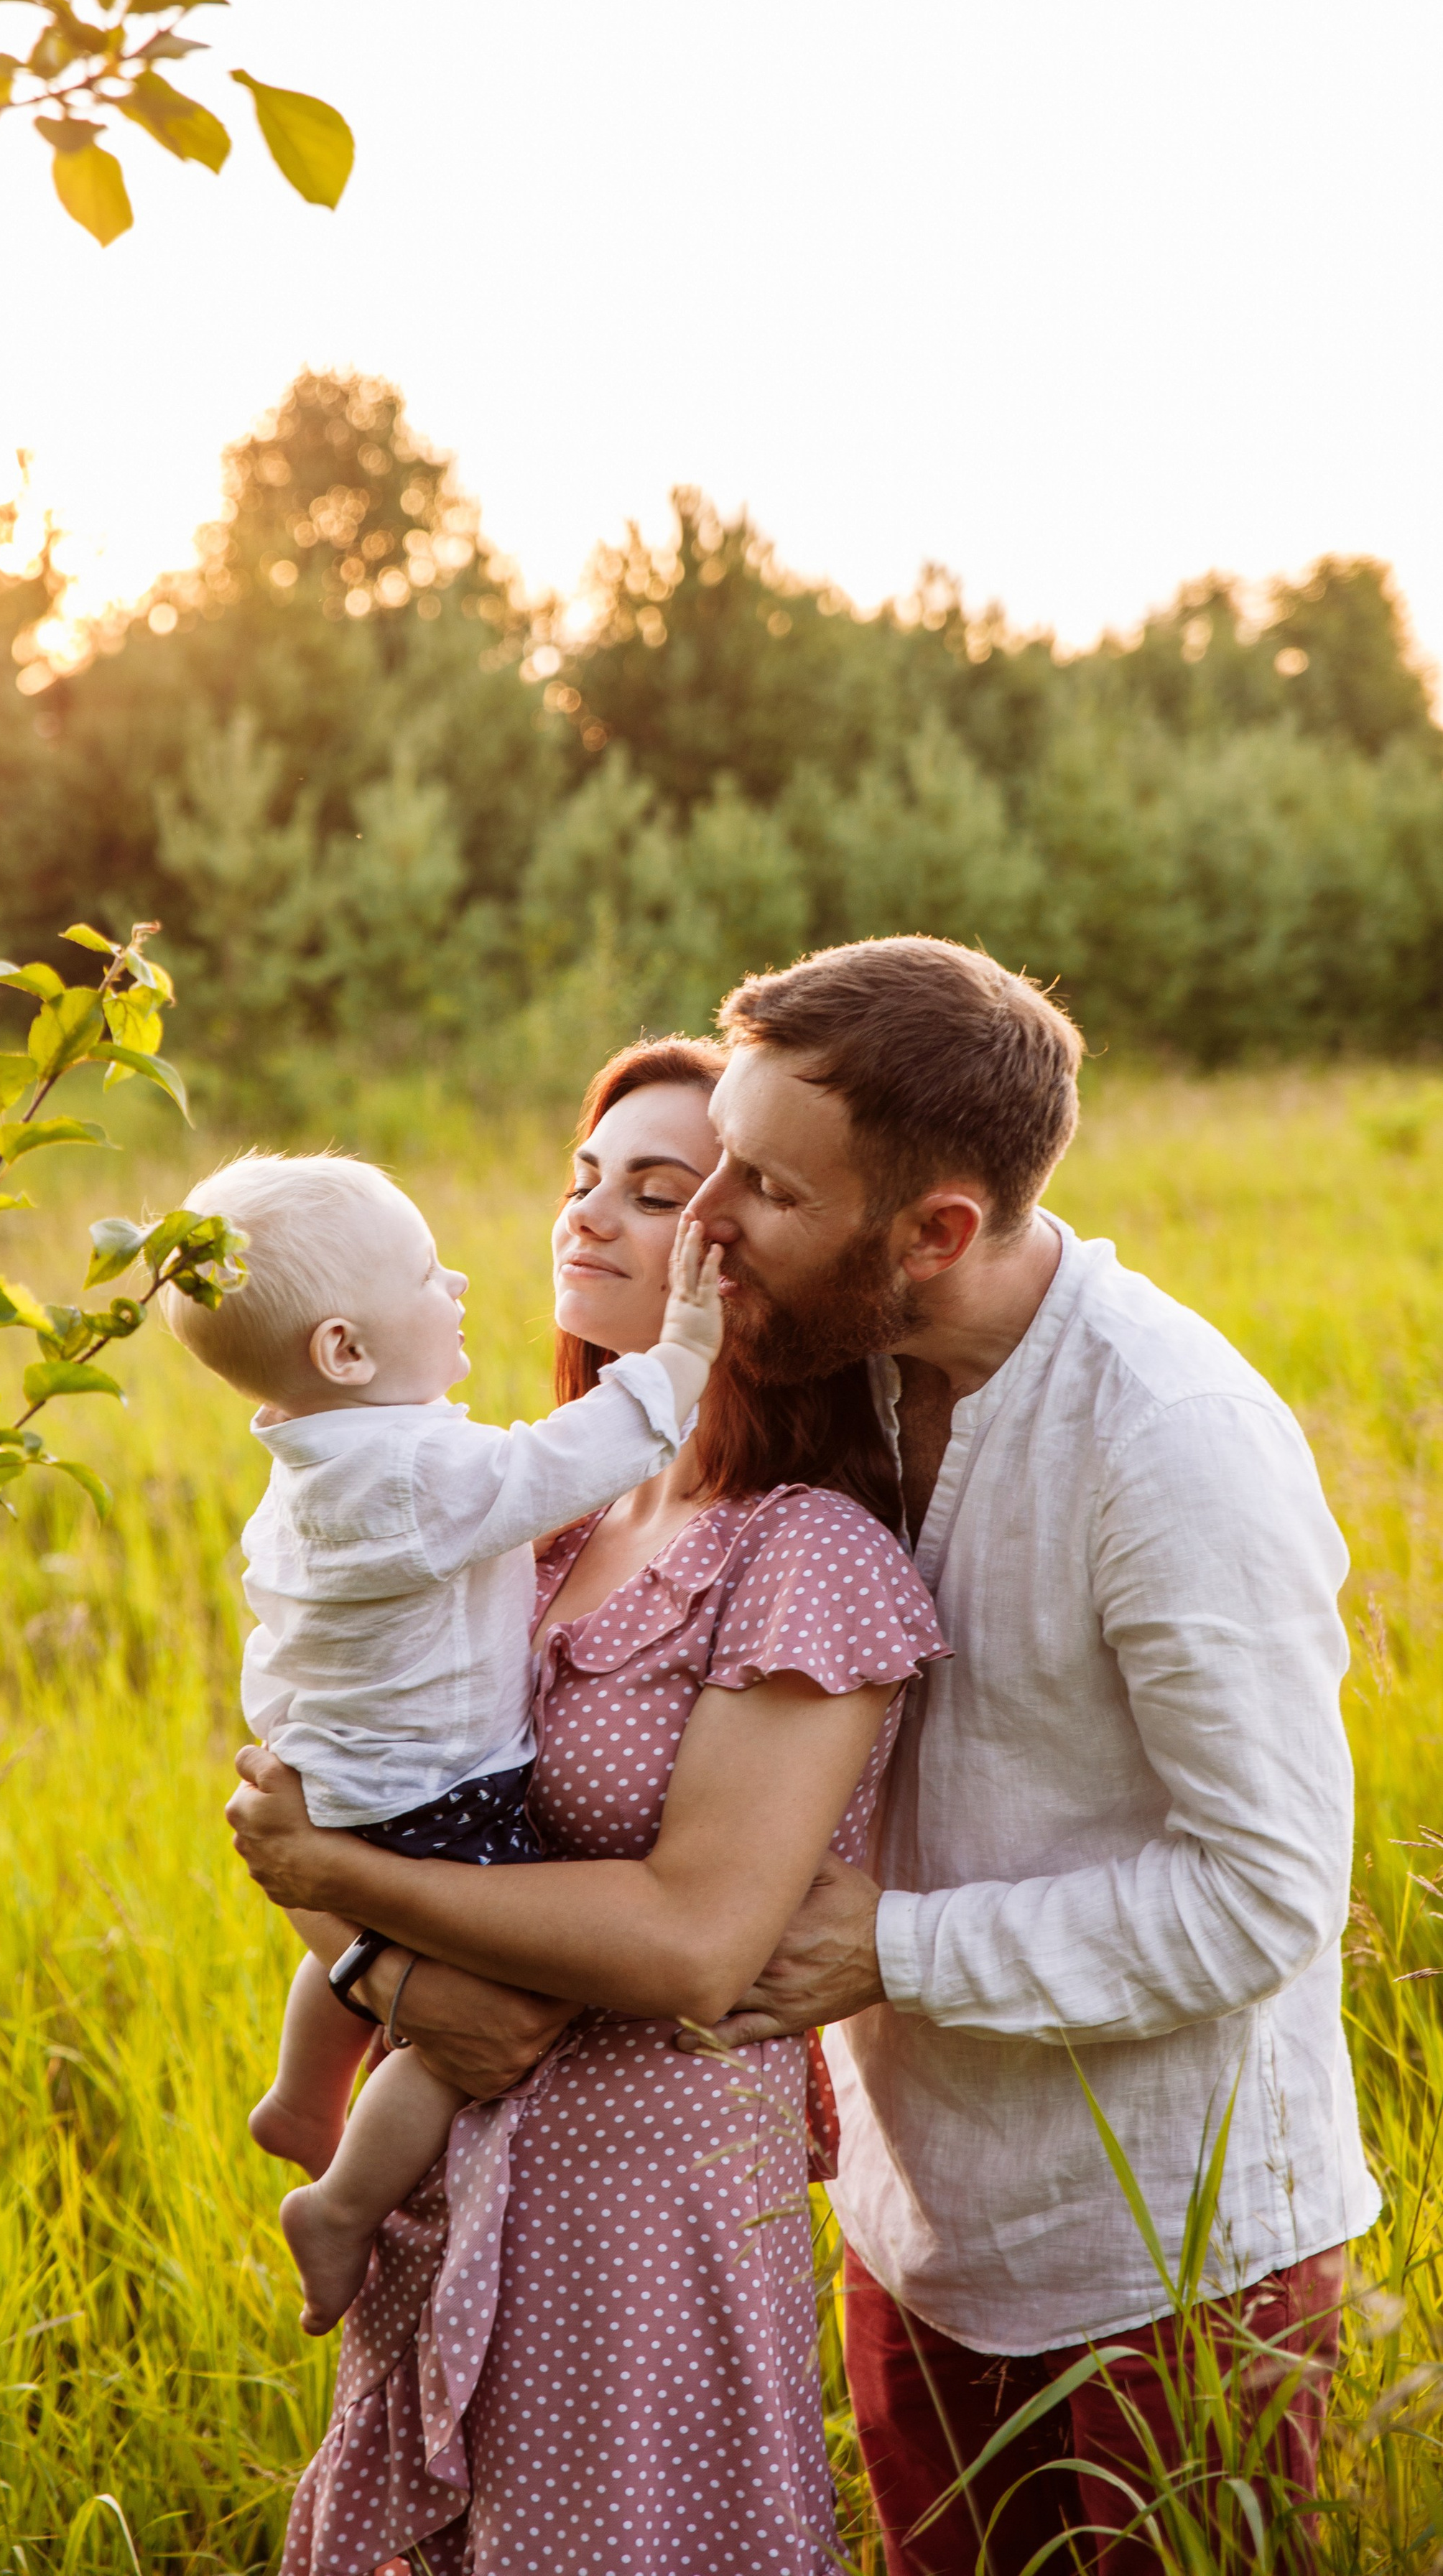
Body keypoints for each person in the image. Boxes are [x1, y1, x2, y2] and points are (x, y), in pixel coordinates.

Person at [669, 935, 1378, 2571]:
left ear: (936, 1232)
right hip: (915, 2236)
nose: (709, 1219)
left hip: (1169, 2267)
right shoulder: (845, 1379)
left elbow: (1261, 1897)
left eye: (767, 1189)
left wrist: (890, 1949)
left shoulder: (1167, 1440)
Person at [227, 1038, 950, 2576]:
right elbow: (291, 1810)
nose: (586, 1216)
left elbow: (691, 1949)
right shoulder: (522, 1522)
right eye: (580, 1177)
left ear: (737, 1261)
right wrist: (389, 1974)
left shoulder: (797, 1554)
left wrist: (330, 1881)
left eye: (654, 1193)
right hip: (445, 2182)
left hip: (638, 2221)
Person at [161, 1149, 725, 2335]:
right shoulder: (417, 1472)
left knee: (356, 1947)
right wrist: (682, 1353)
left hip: (338, 1779)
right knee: (474, 2025)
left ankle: (301, 2095)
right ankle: (343, 2201)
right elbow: (559, 1463)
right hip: (436, 1796)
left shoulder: (314, 1461)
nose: (458, 1282)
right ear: (346, 1353)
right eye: (426, 1275)